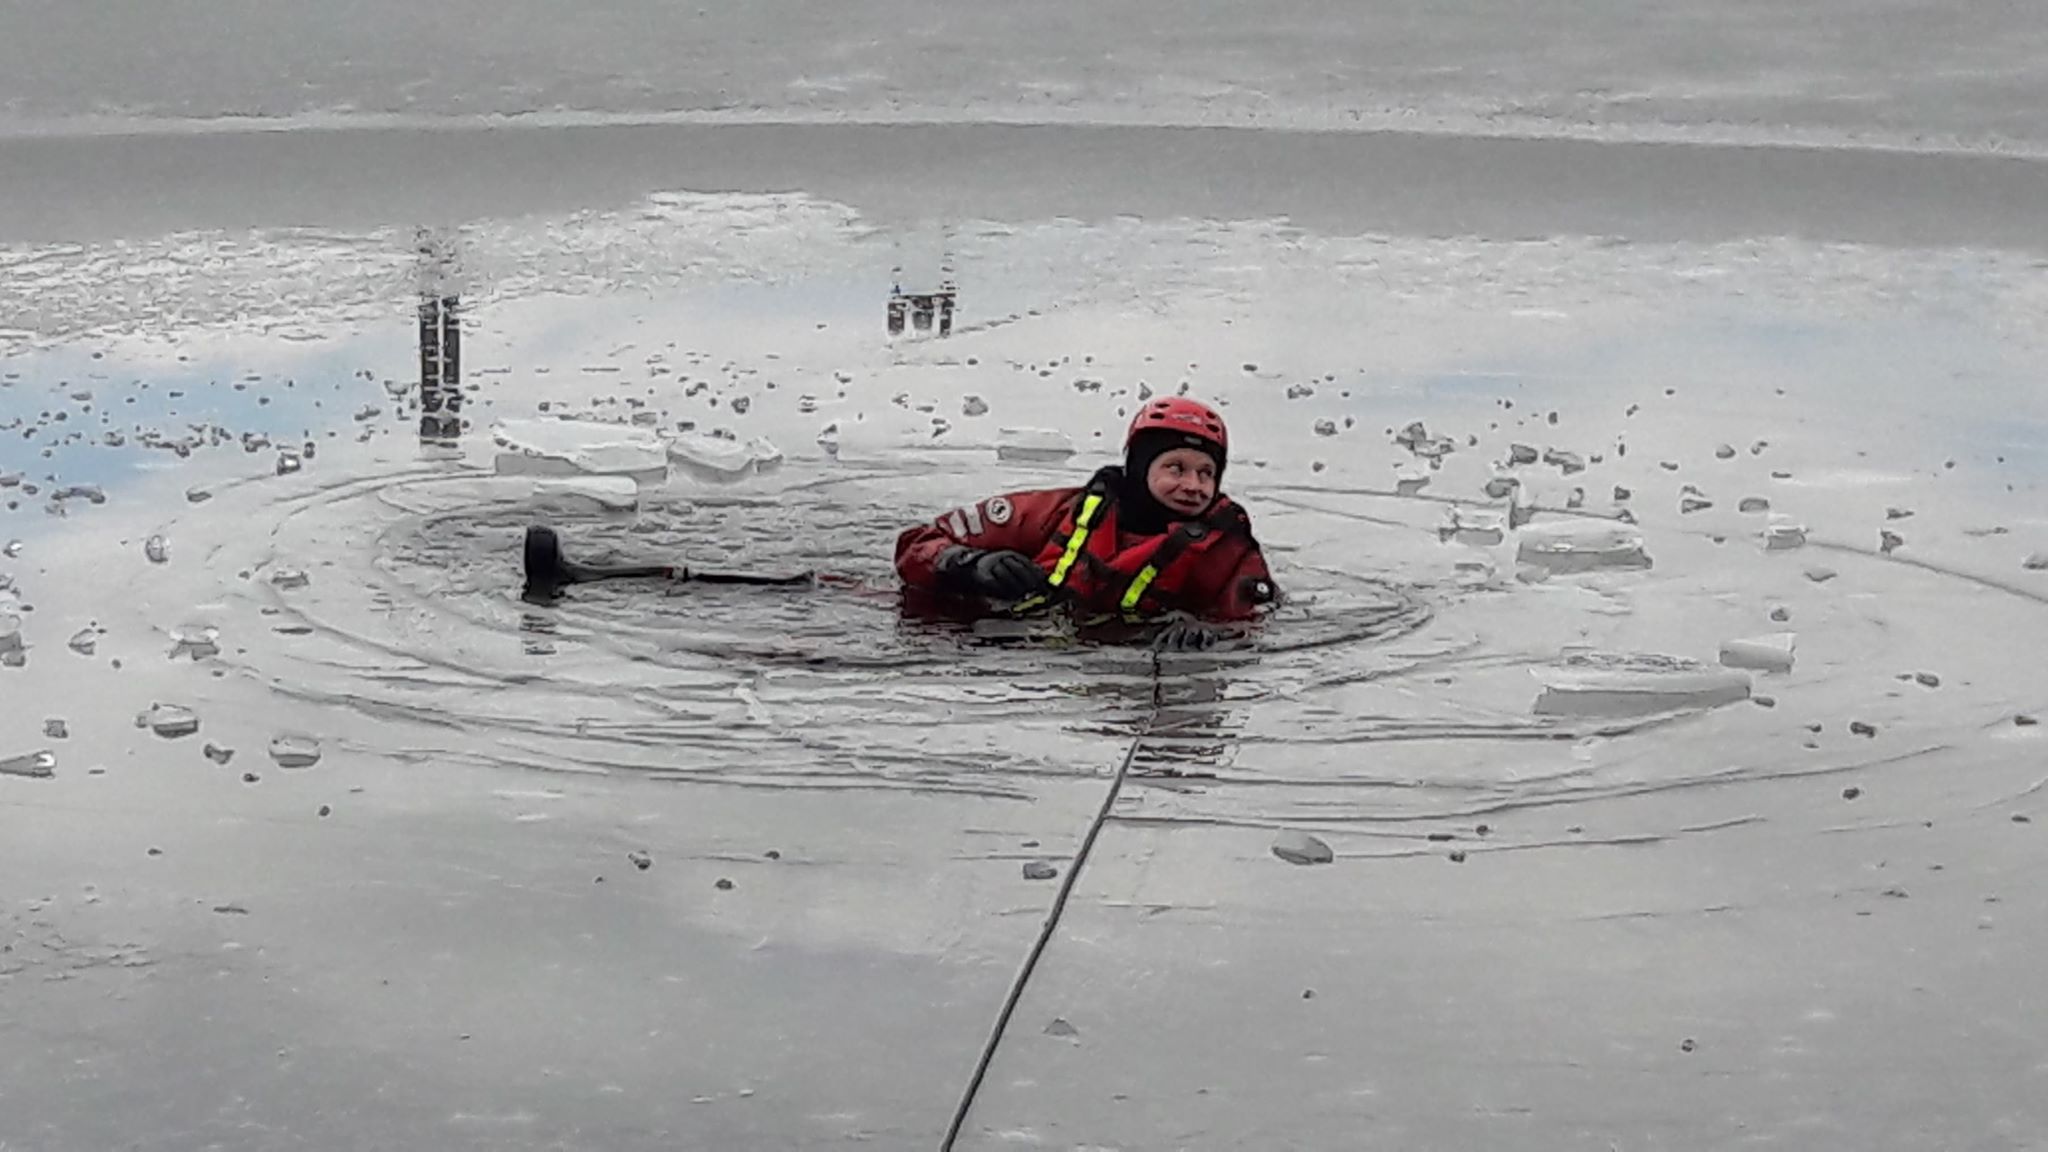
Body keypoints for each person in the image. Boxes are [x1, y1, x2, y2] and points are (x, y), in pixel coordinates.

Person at [895, 396, 1278, 650]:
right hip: (1015, 645)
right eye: (1175, 468)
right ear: (1140, 468)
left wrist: (1207, 635)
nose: (1193, 486)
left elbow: (1254, 624)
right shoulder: (1060, 511)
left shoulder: (1228, 550)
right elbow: (917, 544)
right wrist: (970, 565)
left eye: (1206, 473)